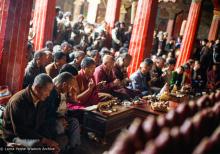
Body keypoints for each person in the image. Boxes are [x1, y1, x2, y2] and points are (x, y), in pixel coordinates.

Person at [3, 74, 60, 154]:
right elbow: (20, 130)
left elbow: (41, 122)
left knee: (55, 137)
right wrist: (44, 140)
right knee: (36, 146)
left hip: (33, 132)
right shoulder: (18, 101)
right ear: (37, 88)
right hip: (15, 135)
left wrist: (50, 140)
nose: (48, 94)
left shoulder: (41, 99)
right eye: (47, 91)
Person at [47, 72, 81, 150]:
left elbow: (62, 109)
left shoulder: (62, 92)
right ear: (64, 84)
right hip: (49, 120)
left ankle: (73, 147)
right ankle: (61, 148)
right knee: (60, 126)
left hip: (58, 117)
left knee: (74, 122)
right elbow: (48, 112)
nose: (72, 89)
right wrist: (59, 119)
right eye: (71, 86)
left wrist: (62, 117)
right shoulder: (51, 92)